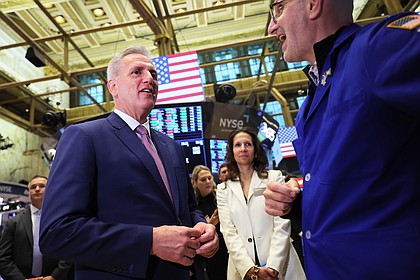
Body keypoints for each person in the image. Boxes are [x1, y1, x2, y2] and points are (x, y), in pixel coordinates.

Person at [264, 0, 420, 278]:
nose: (271, 26)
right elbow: (359, 184)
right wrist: (300, 206)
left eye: (278, 9)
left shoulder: (377, 48)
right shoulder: (309, 105)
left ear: (313, 5)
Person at [39, 45, 219, 280]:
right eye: (137, 72)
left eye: (153, 74)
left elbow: (188, 208)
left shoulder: (171, 146)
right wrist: (150, 242)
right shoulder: (84, 137)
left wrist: (203, 228)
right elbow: (57, 232)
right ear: (112, 86)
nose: (150, 79)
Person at [217, 128, 305, 280]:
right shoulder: (223, 189)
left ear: (255, 149)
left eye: (248, 144)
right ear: (232, 151)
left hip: (281, 264)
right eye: (238, 145)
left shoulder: (274, 177)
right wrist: (250, 269)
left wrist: (273, 267)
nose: (243, 148)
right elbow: (228, 232)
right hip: (242, 269)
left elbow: (282, 225)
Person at [0, 175, 72, 280]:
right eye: (33, 187)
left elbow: (68, 251)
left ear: (50, 190)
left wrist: (54, 277)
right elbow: (3, 257)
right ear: (29, 192)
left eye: (42, 186)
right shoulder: (13, 223)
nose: (37, 189)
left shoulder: (61, 220)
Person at [190, 165, 228, 280]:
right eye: (203, 179)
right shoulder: (194, 208)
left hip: (228, 248)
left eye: (209, 178)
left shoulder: (221, 198)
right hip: (210, 256)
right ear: (195, 183)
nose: (207, 182)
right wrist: (211, 223)